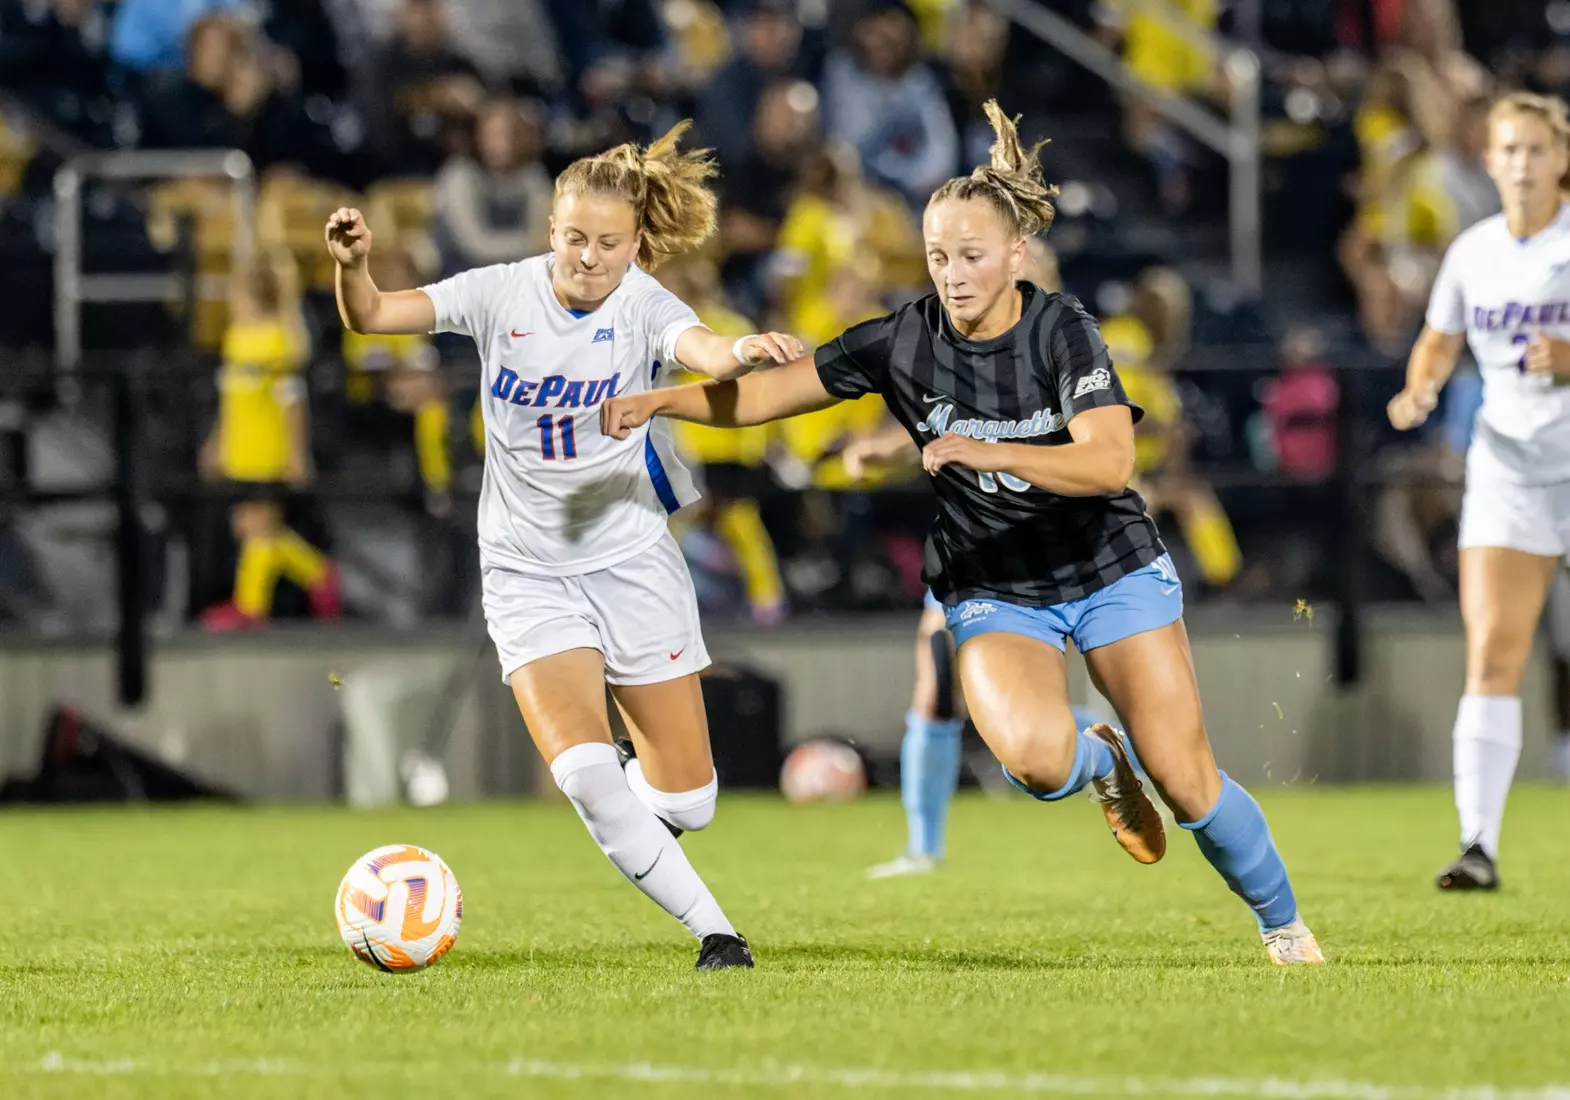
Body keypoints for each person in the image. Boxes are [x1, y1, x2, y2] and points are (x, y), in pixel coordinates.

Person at [603, 101, 1323, 965]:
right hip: (992, 583)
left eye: (971, 255)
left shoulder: (1063, 330)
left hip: (1107, 566)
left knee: (1187, 780)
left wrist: (984, 448)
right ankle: (1100, 762)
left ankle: (1284, 928)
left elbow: (1107, 465)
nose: (952, 274)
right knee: (1035, 765)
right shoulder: (903, 339)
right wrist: (660, 399)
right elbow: (759, 399)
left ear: (1017, 253)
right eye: (938, 256)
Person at [324, 120, 802, 969]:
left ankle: (638, 810)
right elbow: (372, 318)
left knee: (688, 802)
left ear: (636, 245)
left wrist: (742, 351)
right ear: (550, 231)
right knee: (585, 776)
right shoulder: (499, 293)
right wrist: (352, 264)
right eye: (574, 238)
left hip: (631, 562)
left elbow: (702, 351)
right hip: (524, 569)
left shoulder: (645, 303)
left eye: (608, 243)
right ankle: (717, 934)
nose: (588, 257)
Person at [843, 235, 1099, 880]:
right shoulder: (968, 358)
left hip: (1051, 549)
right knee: (935, 674)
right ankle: (922, 848)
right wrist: (887, 450)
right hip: (975, 545)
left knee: (1025, 718)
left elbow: (1097, 448)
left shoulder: (1065, 351)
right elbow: (953, 435)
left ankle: (1104, 744)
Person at [1387, 92, 1570, 890]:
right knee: (1493, 653)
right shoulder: (1474, 252)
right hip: (1507, 469)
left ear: (1562, 159)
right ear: (1488, 161)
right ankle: (1477, 844)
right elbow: (1437, 340)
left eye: (1536, 149)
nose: (1522, 164)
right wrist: (1419, 389)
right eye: (1509, 150)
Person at [200, 253, 342, 630]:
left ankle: (251, 606)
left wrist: (296, 454)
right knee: (255, 529)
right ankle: (316, 573)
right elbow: (230, 400)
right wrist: (217, 442)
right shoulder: (236, 338)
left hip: (267, 449)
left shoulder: (280, 340)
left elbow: (291, 401)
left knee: (258, 526)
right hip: (240, 451)